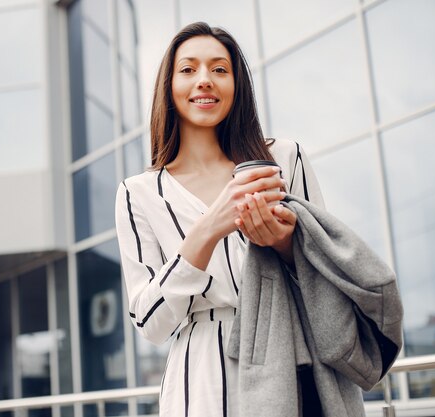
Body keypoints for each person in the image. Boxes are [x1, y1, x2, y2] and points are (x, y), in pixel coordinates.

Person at [114, 22, 325, 415]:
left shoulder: (283, 160)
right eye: (189, 69)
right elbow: (150, 323)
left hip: (288, 354)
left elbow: (328, 277)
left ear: (236, 85)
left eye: (220, 69)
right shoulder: (138, 193)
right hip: (200, 381)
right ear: (169, 87)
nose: (205, 80)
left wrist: (281, 243)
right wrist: (209, 228)